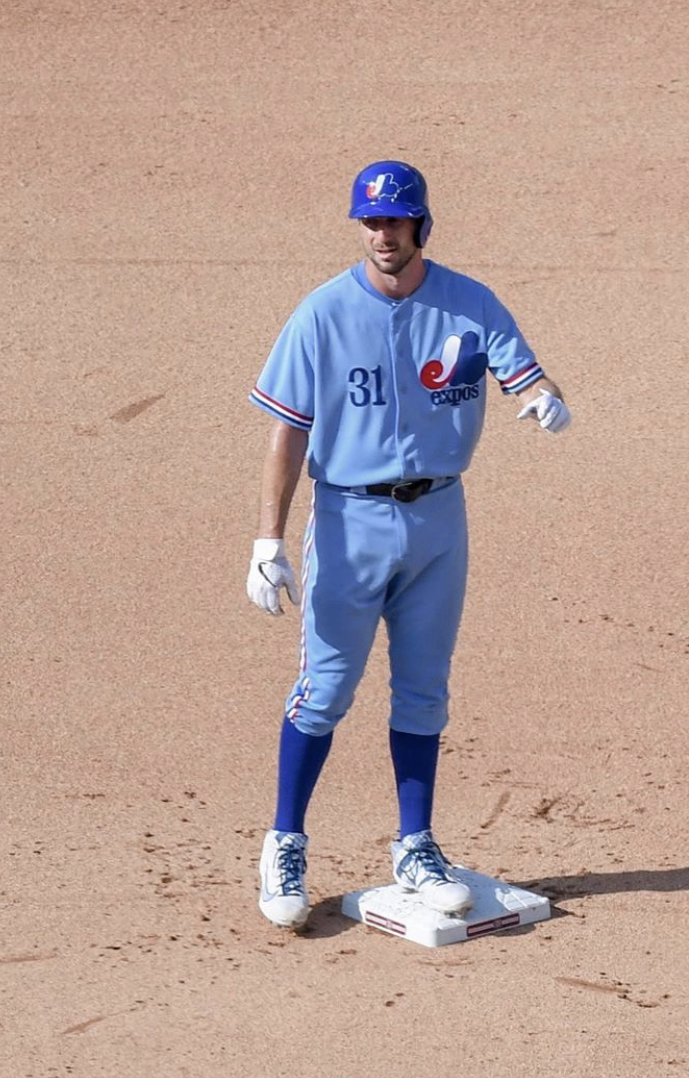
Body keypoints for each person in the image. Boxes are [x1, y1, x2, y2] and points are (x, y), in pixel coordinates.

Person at [246, 160, 571, 930]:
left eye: (393, 221)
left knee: (424, 690)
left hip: (438, 521)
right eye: (370, 221)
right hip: (350, 521)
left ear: (421, 225)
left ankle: (415, 845)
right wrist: (267, 538)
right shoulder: (321, 314)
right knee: (324, 691)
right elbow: (286, 432)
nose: (381, 234)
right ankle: (284, 842)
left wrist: (544, 398)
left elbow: (523, 372)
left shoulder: (467, 303)